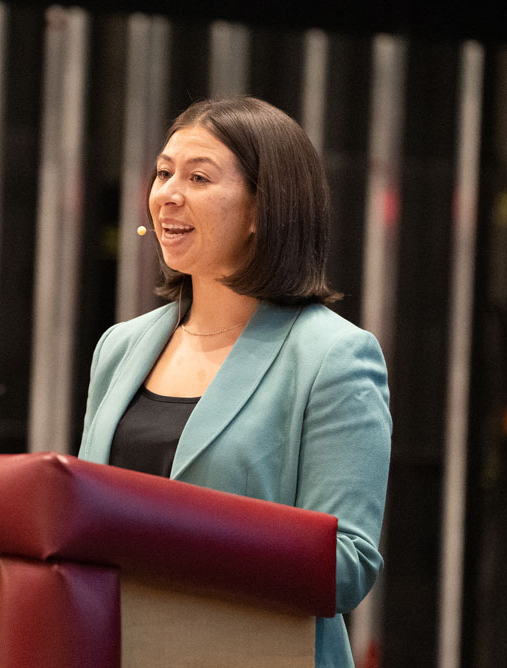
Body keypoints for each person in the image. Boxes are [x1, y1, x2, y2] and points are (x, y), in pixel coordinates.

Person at [78, 96, 391, 668]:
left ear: (261, 210)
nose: (168, 192)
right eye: (163, 172)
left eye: (198, 177)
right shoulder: (119, 347)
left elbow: (345, 565)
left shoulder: (333, 357)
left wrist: (177, 539)